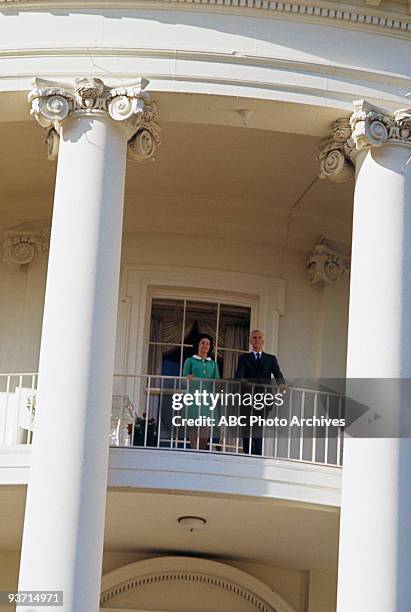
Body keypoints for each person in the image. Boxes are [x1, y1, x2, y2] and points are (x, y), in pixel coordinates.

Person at [235, 329, 286, 456]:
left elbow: (277, 373)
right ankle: (247, 454)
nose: (256, 340)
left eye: (259, 338)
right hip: (247, 397)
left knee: (258, 428)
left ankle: (257, 455)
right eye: (254, 338)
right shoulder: (244, 358)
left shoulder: (270, 359)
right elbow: (240, 373)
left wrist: (282, 383)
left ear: (263, 341)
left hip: (263, 398)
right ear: (251, 341)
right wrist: (241, 380)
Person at [183, 334, 220, 450]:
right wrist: (187, 378)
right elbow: (184, 377)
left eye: (207, 343)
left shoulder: (213, 364)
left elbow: (217, 380)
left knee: (206, 426)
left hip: (207, 397)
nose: (205, 345)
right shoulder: (190, 360)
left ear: (210, 347)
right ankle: (194, 450)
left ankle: (202, 450)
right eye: (202, 342)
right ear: (198, 345)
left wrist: (217, 384)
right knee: (193, 424)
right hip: (193, 395)